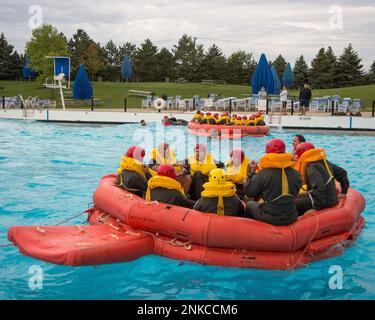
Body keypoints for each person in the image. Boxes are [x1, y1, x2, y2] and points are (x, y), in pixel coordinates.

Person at [244, 139, 302, 226]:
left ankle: (253, 230)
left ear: (268, 153)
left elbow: (249, 192)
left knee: (249, 204)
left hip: (271, 216)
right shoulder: (296, 173)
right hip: (291, 215)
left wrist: (251, 172)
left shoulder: (264, 173)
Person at [294, 142, 350, 216]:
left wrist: (316, 208)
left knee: (290, 204)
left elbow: (319, 187)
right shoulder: (324, 162)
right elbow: (343, 173)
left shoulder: (310, 168)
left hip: (325, 202)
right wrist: (344, 192)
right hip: (329, 198)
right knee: (292, 198)